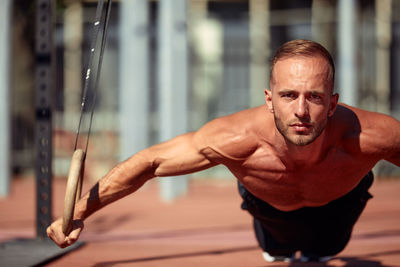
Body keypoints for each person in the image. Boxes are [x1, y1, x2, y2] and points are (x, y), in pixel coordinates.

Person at [47, 39, 400, 262]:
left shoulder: (373, 135)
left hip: (339, 204)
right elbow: (151, 162)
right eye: (289, 95)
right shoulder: (236, 139)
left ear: (334, 103)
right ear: (269, 100)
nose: (302, 111)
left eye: (315, 97)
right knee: (278, 250)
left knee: (324, 252)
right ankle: (276, 245)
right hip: (269, 205)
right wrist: (78, 211)